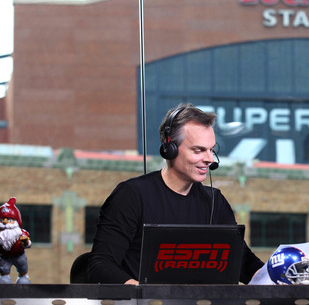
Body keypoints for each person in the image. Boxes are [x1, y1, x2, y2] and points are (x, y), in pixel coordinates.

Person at [88, 103, 264, 284]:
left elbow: (242, 260)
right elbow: (101, 264)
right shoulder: (132, 195)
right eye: (198, 150)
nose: (209, 159)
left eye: (211, 150)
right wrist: (140, 291)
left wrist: (274, 277)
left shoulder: (214, 201)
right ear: (169, 148)